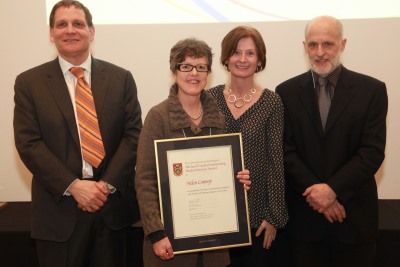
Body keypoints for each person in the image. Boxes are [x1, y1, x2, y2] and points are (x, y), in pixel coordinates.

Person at [13, 1, 142, 266]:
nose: (70, 30)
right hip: (57, 214)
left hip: (112, 211)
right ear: (51, 33)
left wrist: (104, 186)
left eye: (78, 24)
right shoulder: (29, 83)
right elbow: (29, 143)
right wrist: (73, 186)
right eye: (62, 24)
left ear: (92, 31)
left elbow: (133, 136)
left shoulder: (121, 79)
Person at [275, 16, 388, 267]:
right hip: (305, 224)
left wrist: (332, 190)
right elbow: (286, 151)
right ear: (304, 47)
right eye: (313, 45)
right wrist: (318, 194)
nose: (320, 52)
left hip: (354, 220)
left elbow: (372, 152)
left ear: (343, 44)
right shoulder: (285, 92)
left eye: (328, 44)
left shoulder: (372, 90)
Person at [135, 38, 251, 267]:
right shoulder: (158, 116)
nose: (194, 74)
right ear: (174, 71)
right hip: (169, 246)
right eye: (186, 66)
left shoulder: (218, 117)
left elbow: (224, 173)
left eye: (201, 67)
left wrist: (238, 181)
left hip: (213, 249)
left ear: (208, 73)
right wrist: (156, 233)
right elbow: (145, 179)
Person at [208, 26, 288, 266]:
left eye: (250, 53)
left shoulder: (272, 102)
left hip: (257, 217)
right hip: (214, 214)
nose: (242, 59)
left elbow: (276, 163)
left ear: (260, 59)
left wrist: (273, 217)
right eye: (236, 52)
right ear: (225, 57)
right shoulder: (209, 99)